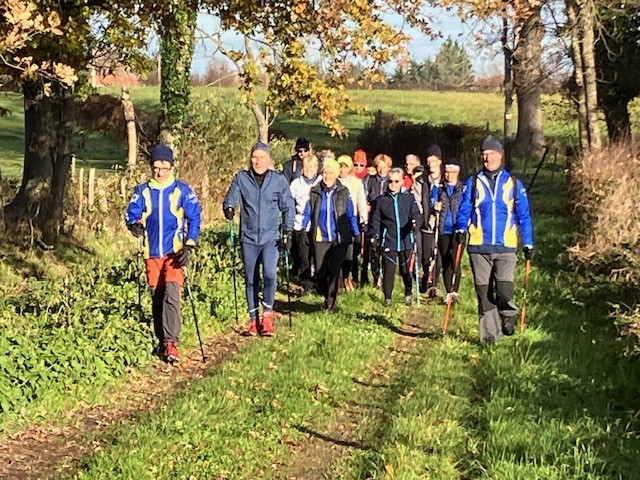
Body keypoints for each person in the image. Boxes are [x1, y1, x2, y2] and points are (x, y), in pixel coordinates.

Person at [126, 144, 202, 363]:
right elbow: (132, 213)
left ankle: (172, 342)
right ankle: (161, 340)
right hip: (151, 253)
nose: (160, 172)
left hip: (174, 253)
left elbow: (194, 217)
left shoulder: (182, 190)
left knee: (171, 295)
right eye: (156, 167)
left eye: (164, 167)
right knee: (158, 298)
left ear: (171, 167)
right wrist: (134, 225)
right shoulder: (142, 191)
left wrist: (190, 244)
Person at [455, 136, 534, 344]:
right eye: (484, 154)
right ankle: (490, 338)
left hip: (506, 246)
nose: (486, 158)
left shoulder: (513, 184)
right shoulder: (473, 182)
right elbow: (464, 209)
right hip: (478, 245)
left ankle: (507, 315)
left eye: (490, 154)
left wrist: (528, 242)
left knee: (504, 289)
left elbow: (524, 216)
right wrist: (461, 228)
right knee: (483, 292)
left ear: (500, 155)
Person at [223, 141, 295, 336]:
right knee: (251, 279)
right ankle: (254, 321)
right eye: (254, 157)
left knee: (270, 274)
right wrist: (229, 208)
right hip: (248, 236)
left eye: (262, 157)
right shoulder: (241, 178)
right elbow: (231, 197)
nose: (257, 161)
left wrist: (288, 231)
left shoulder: (278, 180)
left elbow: (288, 205)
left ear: (269, 159)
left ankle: (267, 316)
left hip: (271, 237)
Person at [302, 159, 360, 312]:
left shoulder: (343, 192)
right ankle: (324, 293)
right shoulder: (315, 192)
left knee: (334, 271)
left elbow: (350, 214)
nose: (327, 176)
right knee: (321, 273)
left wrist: (356, 233)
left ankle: (330, 304)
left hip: (338, 238)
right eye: (324, 173)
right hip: (321, 237)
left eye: (330, 173)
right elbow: (308, 212)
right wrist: (303, 228)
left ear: (336, 175)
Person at [370, 168, 422, 306]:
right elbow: (376, 219)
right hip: (389, 240)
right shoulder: (381, 200)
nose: (393, 184)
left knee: (405, 270)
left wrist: (415, 223)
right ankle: (387, 297)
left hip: (406, 239)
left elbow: (416, 214)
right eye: (390, 181)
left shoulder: (409, 198)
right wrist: (374, 234)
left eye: (396, 181)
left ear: (402, 182)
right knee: (389, 269)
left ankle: (408, 292)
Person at [434, 159, 464, 304]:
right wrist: (436, 207)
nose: (447, 175)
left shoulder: (463, 189)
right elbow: (433, 200)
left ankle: (455, 290)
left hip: (458, 230)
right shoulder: (440, 188)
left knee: (455, 260)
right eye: (446, 172)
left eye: (451, 172)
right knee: (445, 260)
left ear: (457, 173)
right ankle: (448, 291)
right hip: (443, 229)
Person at [289, 155, 321, 294]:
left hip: (318, 225)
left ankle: (318, 283)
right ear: (302, 168)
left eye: (313, 167)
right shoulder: (296, 184)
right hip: (300, 224)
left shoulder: (321, 183)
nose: (310, 170)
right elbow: (289, 203)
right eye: (307, 167)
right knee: (303, 256)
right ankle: (306, 284)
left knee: (318, 255)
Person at [337, 154, 368, 289]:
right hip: (335, 219)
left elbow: (361, 201)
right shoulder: (333, 180)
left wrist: (364, 219)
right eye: (340, 167)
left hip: (351, 220)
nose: (343, 171)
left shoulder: (356, 182)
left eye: (345, 168)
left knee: (351, 251)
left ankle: (348, 276)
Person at [362, 153, 393, 287]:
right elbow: (363, 194)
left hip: (387, 220)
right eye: (379, 167)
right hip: (372, 219)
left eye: (384, 167)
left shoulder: (392, 181)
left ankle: (386, 275)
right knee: (373, 249)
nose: (381, 170)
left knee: (385, 249)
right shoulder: (369, 180)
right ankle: (376, 276)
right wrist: (365, 205)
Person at [420, 144, 444, 297]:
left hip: (440, 221)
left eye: (434, 160)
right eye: (428, 161)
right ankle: (425, 276)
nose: (431, 164)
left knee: (439, 254)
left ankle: (433, 283)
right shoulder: (424, 181)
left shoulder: (445, 180)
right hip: (427, 222)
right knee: (426, 254)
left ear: (439, 161)